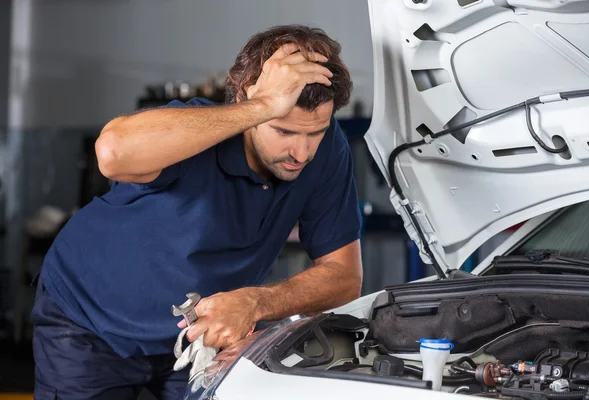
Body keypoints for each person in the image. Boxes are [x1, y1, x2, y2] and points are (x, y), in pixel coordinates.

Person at [31, 24, 363, 399]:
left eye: (315, 133)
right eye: (283, 131)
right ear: (246, 98)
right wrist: (264, 106)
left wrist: (256, 302)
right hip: (90, 323)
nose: (302, 153)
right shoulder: (197, 128)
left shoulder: (328, 147)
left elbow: (343, 276)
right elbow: (112, 153)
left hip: (198, 340)